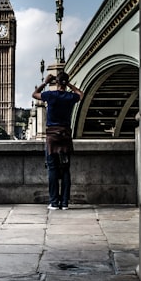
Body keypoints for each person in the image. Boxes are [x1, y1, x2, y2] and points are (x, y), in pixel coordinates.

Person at [32, 71, 84, 210]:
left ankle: (54, 202)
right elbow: (81, 94)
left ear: (56, 82)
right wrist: (69, 85)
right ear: (65, 83)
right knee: (66, 169)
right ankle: (65, 203)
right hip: (65, 136)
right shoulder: (70, 97)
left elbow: (34, 94)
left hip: (52, 138)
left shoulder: (50, 95)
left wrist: (46, 82)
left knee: (53, 169)